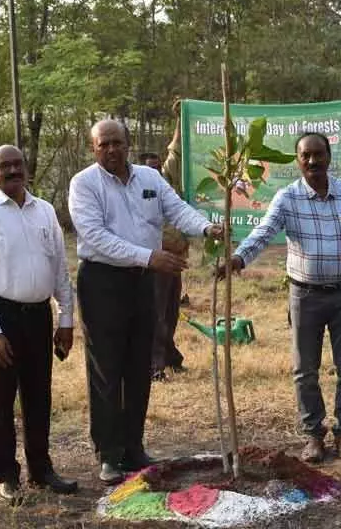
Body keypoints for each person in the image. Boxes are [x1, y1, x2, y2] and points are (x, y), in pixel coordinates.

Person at [68, 119, 223, 484]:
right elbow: (95, 237)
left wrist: (206, 227)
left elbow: (178, 209)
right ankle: (108, 454)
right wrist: (149, 256)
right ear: (94, 148)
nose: (111, 150)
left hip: (142, 284)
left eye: (117, 143)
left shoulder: (150, 180)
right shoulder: (83, 184)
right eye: (103, 144)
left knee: (139, 366)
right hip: (102, 282)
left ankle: (134, 448)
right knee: (107, 369)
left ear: (129, 144)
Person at [220, 132, 341, 463]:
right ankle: (314, 435)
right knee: (305, 369)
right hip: (306, 296)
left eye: (319, 154)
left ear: (330, 157)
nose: (313, 161)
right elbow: (263, 232)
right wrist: (238, 259)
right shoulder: (287, 199)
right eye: (306, 156)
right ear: (298, 161)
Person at [0, 145, 79, 503]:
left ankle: (41, 470)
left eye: (17, 164)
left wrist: (66, 319)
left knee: (38, 396)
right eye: (4, 166)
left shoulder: (44, 211)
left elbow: (59, 268)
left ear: (26, 168)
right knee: (1, 401)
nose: (13, 171)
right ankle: (7, 475)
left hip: (39, 316)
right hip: (2, 318)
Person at [152, 103, 190, 381]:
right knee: (156, 314)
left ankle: (169, 355)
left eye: (157, 168)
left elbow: (175, 152)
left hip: (176, 260)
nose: (153, 173)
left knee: (171, 310)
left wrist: (181, 119)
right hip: (154, 260)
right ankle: (155, 364)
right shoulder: (137, 196)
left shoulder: (168, 186)